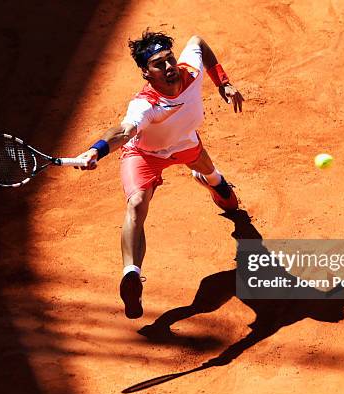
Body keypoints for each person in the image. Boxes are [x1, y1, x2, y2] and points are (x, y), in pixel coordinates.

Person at [75, 30, 244, 319]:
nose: (169, 68)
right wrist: (97, 150)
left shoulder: (188, 71)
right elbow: (124, 131)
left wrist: (223, 83)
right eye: (159, 64)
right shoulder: (145, 104)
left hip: (184, 143)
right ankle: (131, 274)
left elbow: (198, 42)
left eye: (169, 60)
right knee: (136, 203)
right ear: (146, 73)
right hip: (144, 155)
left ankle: (216, 183)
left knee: (210, 175)